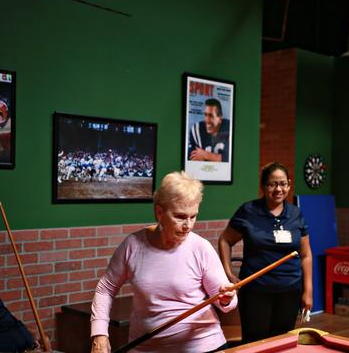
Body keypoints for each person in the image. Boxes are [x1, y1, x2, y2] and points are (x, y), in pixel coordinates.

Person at [90, 171, 237, 353]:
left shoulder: (201, 247)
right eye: (180, 217)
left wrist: (226, 298)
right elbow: (105, 289)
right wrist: (99, 335)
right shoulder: (133, 245)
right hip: (145, 347)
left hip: (203, 345)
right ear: (159, 212)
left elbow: (228, 303)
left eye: (193, 216)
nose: (188, 226)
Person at [218, 162, 313, 343]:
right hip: (256, 293)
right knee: (255, 343)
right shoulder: (248, 211)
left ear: (289, 184)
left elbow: (306, 255)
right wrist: (228, 273)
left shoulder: (296, 214)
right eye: (272, 184)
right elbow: (225, 240)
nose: (278, 189)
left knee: (281, 343)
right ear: (263, 186)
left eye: (283, 183)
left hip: (290, 291)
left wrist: (308, 291)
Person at [188, 98, 230, 162]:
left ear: (220, 119)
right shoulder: (197, 129)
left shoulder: (228, 128)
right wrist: (216, 158)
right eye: (205, 115)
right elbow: (191, 157)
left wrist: (205, 155)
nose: (207, 120)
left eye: (211, 116)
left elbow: (230, 159)